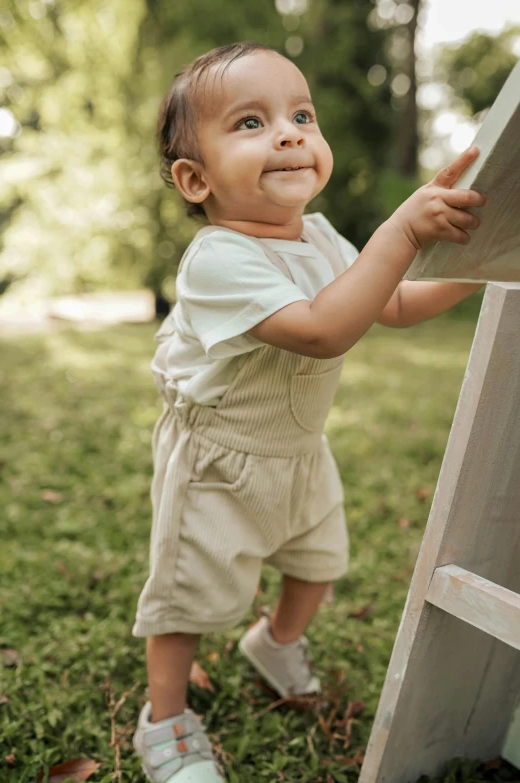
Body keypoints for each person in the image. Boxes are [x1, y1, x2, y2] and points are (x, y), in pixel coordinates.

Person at [131, 41, 486, 782]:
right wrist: (401, 231)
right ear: (195, 179)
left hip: (299, 449)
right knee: (187, 595)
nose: (290, 133)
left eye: (301, 115)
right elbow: (325, 329)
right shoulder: (219, 258)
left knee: (318, 563)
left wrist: (472, 266)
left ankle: (275, 640)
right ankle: (164, 720)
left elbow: (387, 301)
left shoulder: (319, 235)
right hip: (220, 460)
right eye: (252, 122)